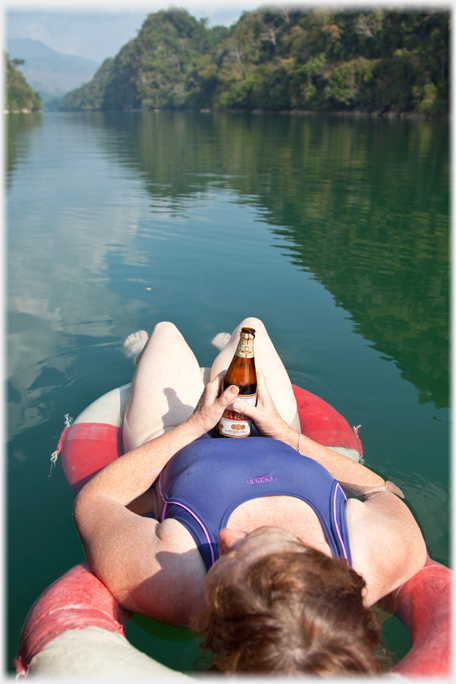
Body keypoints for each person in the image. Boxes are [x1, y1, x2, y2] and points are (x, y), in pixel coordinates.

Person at [73, 318, 427, 675]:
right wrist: (283, 432)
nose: (226, 537)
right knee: (251, 325)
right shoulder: (380, 553)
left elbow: (95, 500)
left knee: (165, 332)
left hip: (171, 435)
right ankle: (224, 348)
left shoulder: (172, 581)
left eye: (227, 557)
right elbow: (381, 490)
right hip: (274, 430)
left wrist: (193, 426)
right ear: (321, 562)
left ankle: (139, 356)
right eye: (253, 539)